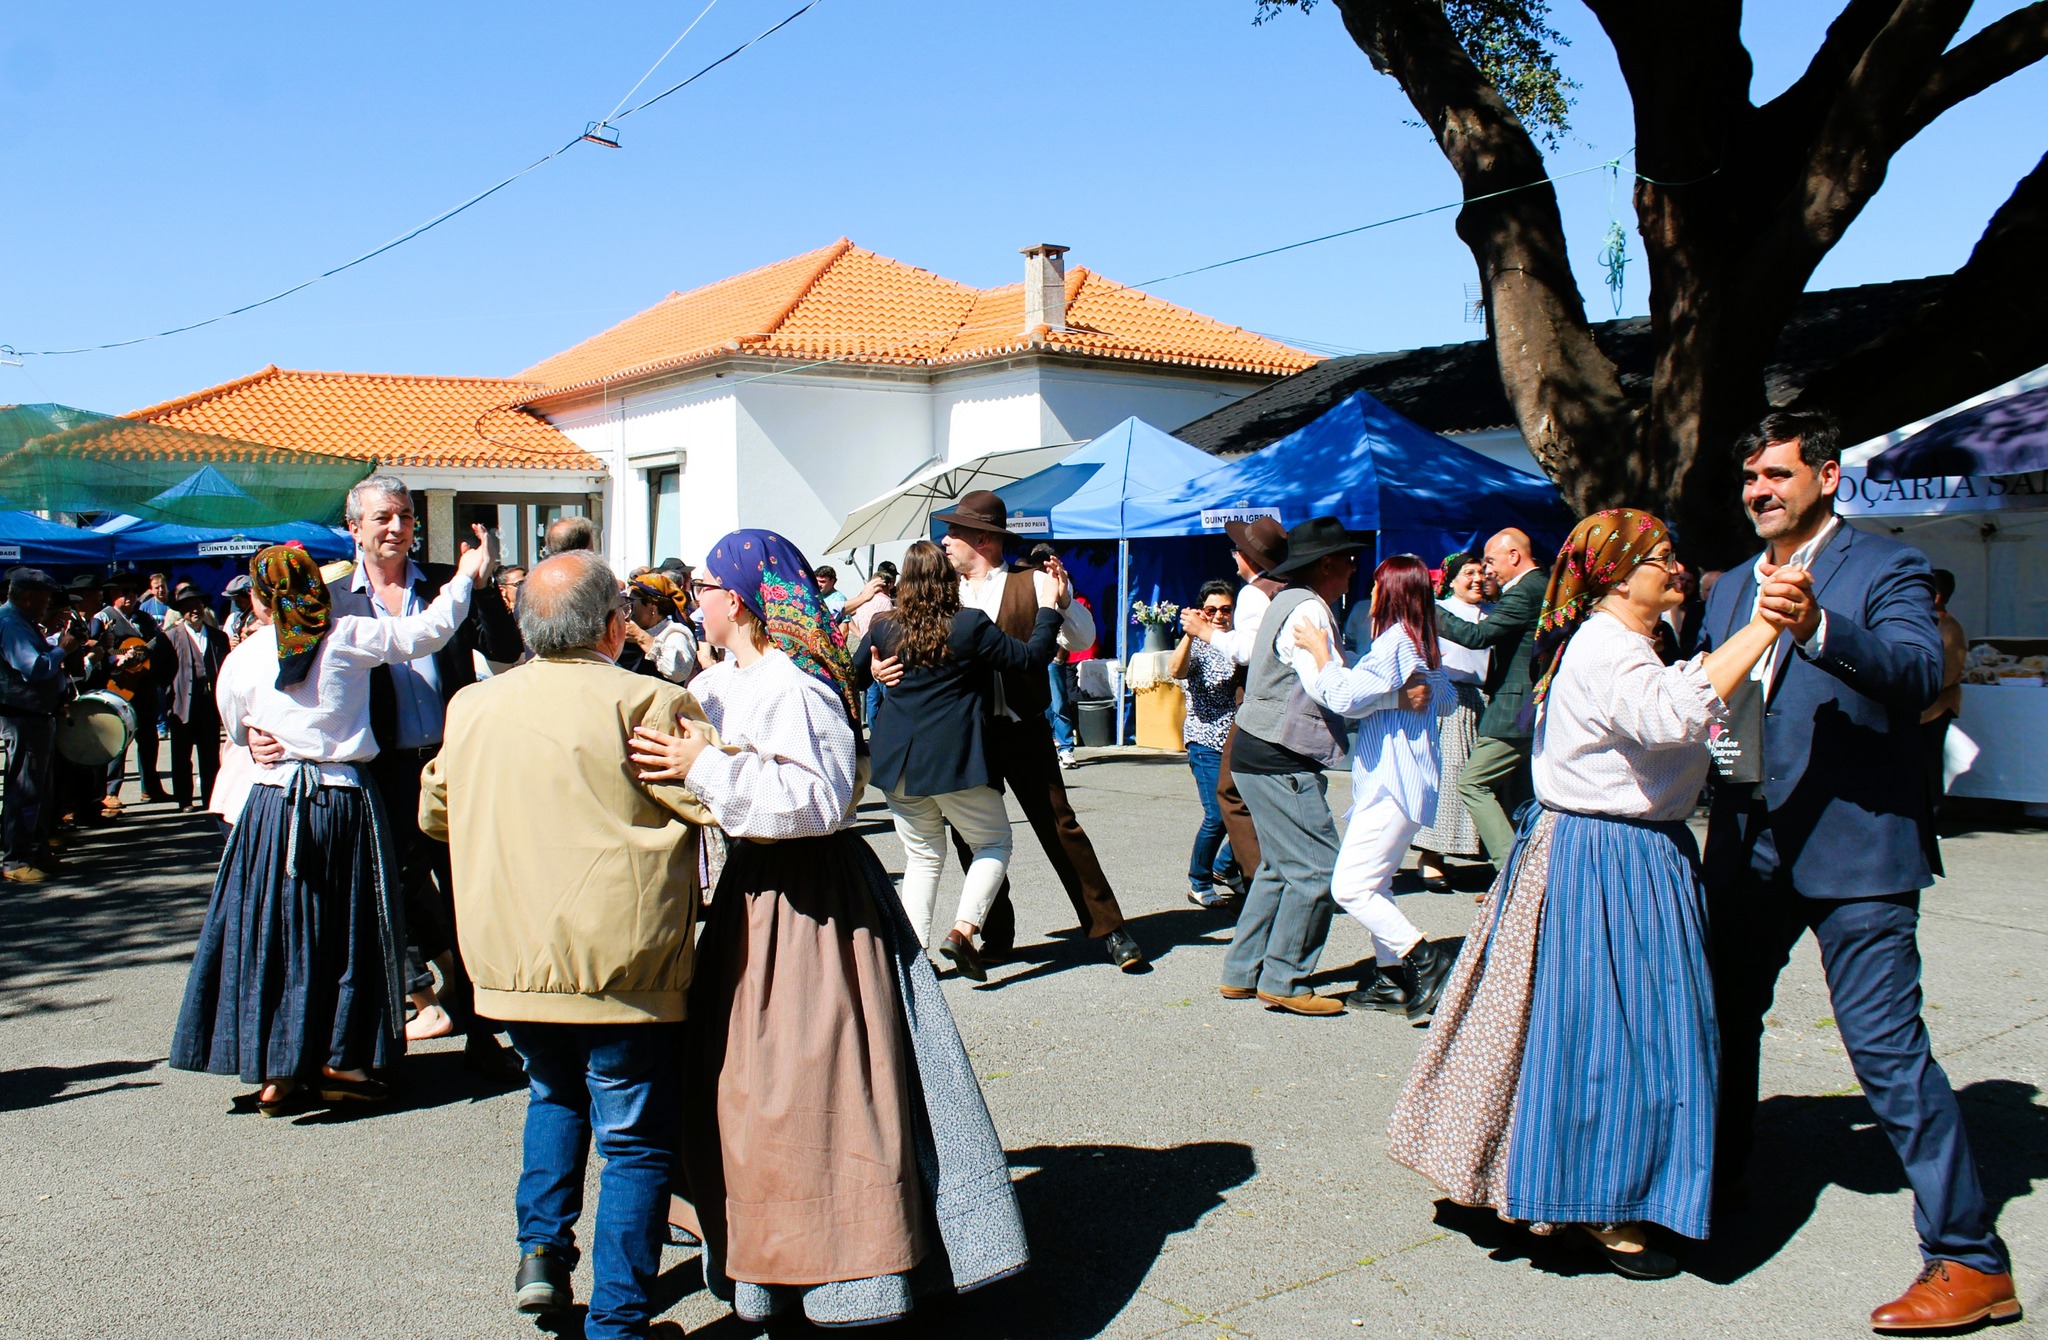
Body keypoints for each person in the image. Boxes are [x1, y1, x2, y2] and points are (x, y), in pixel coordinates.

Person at [629, 528, 1029, 1328]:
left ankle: (851, 1274)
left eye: (702, 587)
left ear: (735, 598)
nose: (693, 600)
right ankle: (769, 1268)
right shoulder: (727, 682)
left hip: (813, 906)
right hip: (755, 896)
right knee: (753, 1090)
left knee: (818, 1089)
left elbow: (821, 799)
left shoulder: (796, 685)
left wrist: (704, 768)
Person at [1391, 508, 1789, 1279]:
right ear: (1618, 573)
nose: (1675, 570)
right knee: (1611, 1036)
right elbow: (1671, 714)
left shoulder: (1638, 643)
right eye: (1661, 558)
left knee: (1610, 1031)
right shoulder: (1607, 647)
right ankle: (1600, 1202)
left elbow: (1694, 718)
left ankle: (1588, 1181)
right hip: (1605, 857)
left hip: (1631, 853)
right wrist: (1763, 626)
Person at [1700, 411, 2017, 1329]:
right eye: (1752, 477)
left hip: (1856, 850)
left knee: (1884, 1051)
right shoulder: (1727, 590)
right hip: (1751, 845)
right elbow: (1728, 709)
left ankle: (1968, 1258)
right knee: (1723, 1021)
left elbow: (1919, 674)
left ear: (1828, 478)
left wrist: (1822, 627)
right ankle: (1720, 1187)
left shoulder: (1886, 567)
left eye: (1778, 475)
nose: (1760, 491)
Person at [419, 551, 713, 1336]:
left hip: (513, 957)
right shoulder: (651, 699)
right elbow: (711, 798)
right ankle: (617, 1320)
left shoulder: (474, 706)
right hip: (626, 960)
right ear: (616, 626)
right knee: (636, 1141)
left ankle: (541, 1255)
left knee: (551, 1094)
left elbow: (435, 812)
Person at [171, 531, 492, 1115]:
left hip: (270, 811)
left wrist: (262, 738)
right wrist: (465, 576)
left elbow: (238, 728)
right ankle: (341, 1060)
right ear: (316, 589)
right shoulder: (345, 636)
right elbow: (427, 632)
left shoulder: (243, 657)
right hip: (341, 801)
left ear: (259, 602)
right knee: (348, 932)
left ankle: (278, 1068)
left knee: (274, 931)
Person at [897, 489, 1143, 970]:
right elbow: (907, 641)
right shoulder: (945, 593)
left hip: (1024, 727)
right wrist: (889, 669)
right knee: (974, 836)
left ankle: (1109, 929)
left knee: (1060, 826)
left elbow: (1084, 640)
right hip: (966, 734)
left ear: (984, 539)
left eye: (956, 532)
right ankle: (994, 935)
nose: (945, 542)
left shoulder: (1031, 582)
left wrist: (1065, 600)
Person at [325, 477, 522, 1069]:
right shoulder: (336, 601)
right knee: (391, 891)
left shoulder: (446, 583)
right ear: (354, 527)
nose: (396, 528)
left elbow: (507, 650)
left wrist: (483, 588)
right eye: (383, 517)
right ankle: (415, 1002)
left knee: (469, 889)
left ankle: (487, 1030)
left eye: (406, 517)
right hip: (379, 771)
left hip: (451, 764)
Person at [853, 539, 1061, 978]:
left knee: (923, 857)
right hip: (954, 761)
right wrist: (1048, 611)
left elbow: (852, 675)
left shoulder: (884, 625)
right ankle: (963, 930)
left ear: (904, 584)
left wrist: (873, 668)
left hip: (897, 764)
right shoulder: (967, 625)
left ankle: (912, 957)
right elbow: (1030, 658)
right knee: (993, 842)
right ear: (948, 582)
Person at [1217, 517, 1383, 1017]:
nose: (1356, 568)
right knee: (1317, 870)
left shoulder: (1290, 599)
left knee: (1278, 867)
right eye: (1349, 560)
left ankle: (1243, 972)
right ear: (1327, 564)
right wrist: (1393, 693)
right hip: (1276, 755)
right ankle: (1285, 980)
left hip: (1259, 749)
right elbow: (1327, 689)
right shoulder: (1307, 609)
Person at [1292, 555, 1458, 1018]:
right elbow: (1443, 702)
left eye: (1377, 585)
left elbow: (1343, 697)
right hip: (1409, 781)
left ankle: (1424, 958)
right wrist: (1401, 694)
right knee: (1376, 882)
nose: (1370, 595)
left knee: (1351, 888)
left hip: (1393, 780)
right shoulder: (1421, 643)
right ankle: (1390, 978)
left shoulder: (1392, 644)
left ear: (1391, 592)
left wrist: (1322, 653)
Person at [1435, 527, 1544, 871]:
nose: (1487, 572)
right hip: (1528, 707)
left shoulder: (1524, 591)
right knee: (1520, 795)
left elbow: (1477, 636)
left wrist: (1424, 607)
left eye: (1491, 562)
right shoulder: (1541, 585)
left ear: (1514, 556)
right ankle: (1528, 868)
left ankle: (1509, 869)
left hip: (1515, 708)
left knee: (1472, 782)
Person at [1412, 553, 1491, 891]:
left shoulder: (1496, 614)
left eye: (1481, 572)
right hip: (1452, 699)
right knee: (1449, 780)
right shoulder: (1441, 612)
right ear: (1453, 579)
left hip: (1488, 701)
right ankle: (1431, 857)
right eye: (1468, 573)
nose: (1476, 579)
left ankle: (1483, 852)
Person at [1167, 579, 1245, 908]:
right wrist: (1189, 633)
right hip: (1205, 740)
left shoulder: (1239, 642)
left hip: (1238, 740)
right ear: (1201, 611)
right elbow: (1175, 670)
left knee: (1247, 810)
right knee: (1217, 814)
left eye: (1225, 609)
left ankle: (1225, 867)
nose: (1218, 615)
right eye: (1211, 609)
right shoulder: (1197, 645)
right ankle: (1199, 881)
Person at [0, 569, 74, 883]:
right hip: (23, 716)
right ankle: (15, 860)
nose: (47, 604)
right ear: (29, 597)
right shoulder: (11, 623)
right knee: (25, 788)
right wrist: (63, 649)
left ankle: (37, 850)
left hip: (36, 716)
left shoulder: (23, 621)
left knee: (39, 789)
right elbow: (34, 668)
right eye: (44, 598)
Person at [93, 575, 169, 807]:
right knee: (118, 740)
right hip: (118, 688)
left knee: (149, 739)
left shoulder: (144, 619)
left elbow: (159, 643)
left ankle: (151, 788)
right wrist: (117, 658)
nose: (129, 596)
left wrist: (148, 652)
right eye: (123, 591)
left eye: (133, 591)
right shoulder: (103, 618)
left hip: (144, 686)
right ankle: (110, 791)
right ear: (112, 593)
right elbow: (94, 649)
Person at [163, 582, 230, 813]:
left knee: (210, 754)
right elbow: (161, 674)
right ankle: (185, 800)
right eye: (189, 607)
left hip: (208, 705)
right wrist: (170, 698)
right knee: (181, 755)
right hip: (182, 703)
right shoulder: (170, 637)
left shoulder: (218, 637)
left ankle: (211, 798)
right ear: (181, 612)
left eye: (198, 605)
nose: (194, 611)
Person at [1921, 568, 1965, 808]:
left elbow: (1945, 674)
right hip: (1921, 706)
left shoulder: (1949, 629)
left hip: (1936, 707)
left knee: (1930, 762)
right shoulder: (1929, 623)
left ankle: (1933, 814)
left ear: (1936, 596)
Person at [619, 571, 698, 685]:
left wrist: (640, 637)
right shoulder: (632, 631)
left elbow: (678, 671)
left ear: (652, 607)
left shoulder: (674, 632)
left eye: (632, 602)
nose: (628, 608)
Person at [221, 575, 258, 644]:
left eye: (239, 601)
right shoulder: (233, 619)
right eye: (235, 601)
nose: (237, 604)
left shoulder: (264, 617)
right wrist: (231, 644)